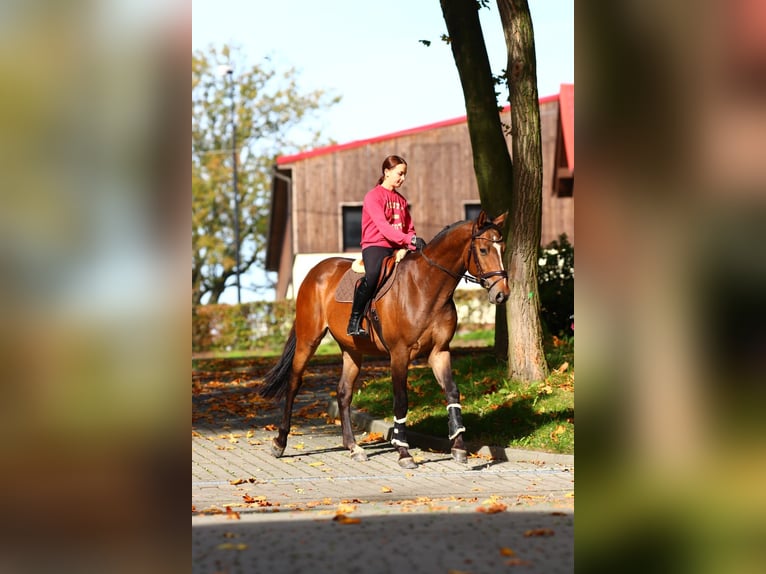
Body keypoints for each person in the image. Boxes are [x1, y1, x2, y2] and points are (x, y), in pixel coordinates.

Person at [347, 155, 427, 337]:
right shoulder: (373, 196)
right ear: (387, 172)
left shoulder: (402, 200)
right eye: (400, 173)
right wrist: (409, 240)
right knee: (373, 274)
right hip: (376, 245)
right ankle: (354, 320)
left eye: (405, 174)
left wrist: (414, 241)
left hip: (399, 247)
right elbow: (384, 228)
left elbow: (409, 228)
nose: (403, 178)